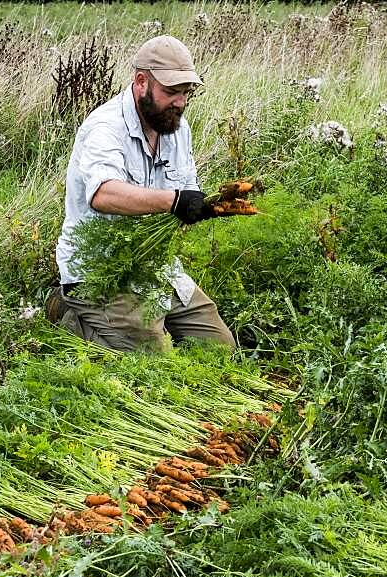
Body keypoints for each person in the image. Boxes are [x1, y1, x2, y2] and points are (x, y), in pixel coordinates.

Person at [47, 35, 235, 352]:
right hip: (101, 272)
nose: (180, 102)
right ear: (140, 82)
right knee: (153, 359)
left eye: (185, 93)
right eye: (171, 92)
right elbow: (104, 194)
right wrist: (173, 202)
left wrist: (204, 206)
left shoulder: (177, 128)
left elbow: (188, 191)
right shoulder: (106, 128)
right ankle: (68, 312)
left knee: (221, 349)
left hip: (157, 268)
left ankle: (127, 328)